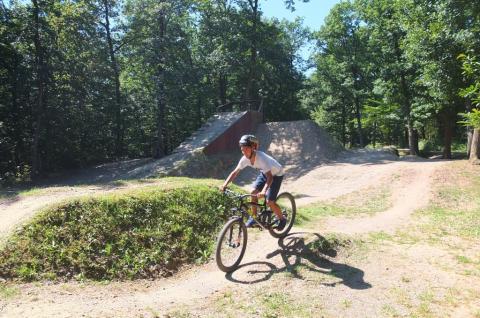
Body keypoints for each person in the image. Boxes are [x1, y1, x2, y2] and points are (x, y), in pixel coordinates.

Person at [220, 134, 286, 230]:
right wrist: (224, 185)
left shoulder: (261, 158)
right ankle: (254, 218)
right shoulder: (244, 159)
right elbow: (234, 173)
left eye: (246, 149)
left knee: (269, 202)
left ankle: (282, 219)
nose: (244, 152)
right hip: (265, 173)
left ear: (253, 147)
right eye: (242, 149)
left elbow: (270, 178)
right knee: (253, 193)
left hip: (276, 175)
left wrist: (263, 191)